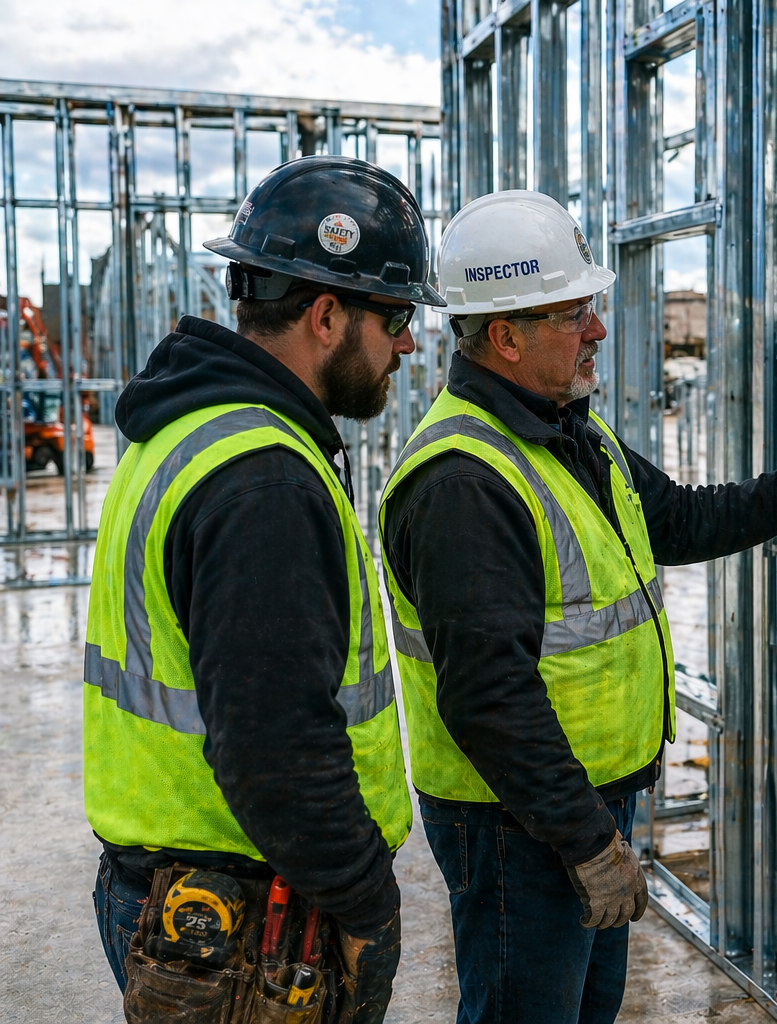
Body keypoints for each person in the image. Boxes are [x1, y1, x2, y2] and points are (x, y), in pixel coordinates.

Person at [376, 188, 777, 1024]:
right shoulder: (464, 483)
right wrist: (587, 843)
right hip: (520, 825)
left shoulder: (568, 434)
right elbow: (489, 698)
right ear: (505, 337)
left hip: (580, 806)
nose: (597, 328)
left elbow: (680, 519)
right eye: (572, 313)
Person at [84, 156, 441, 1020]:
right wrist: (367, 904)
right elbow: (275, 751)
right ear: (326, 316)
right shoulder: (263, 481)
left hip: (178, 885)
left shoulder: (191, 427)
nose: (408, 343)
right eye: (395, 317)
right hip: (239, 917)